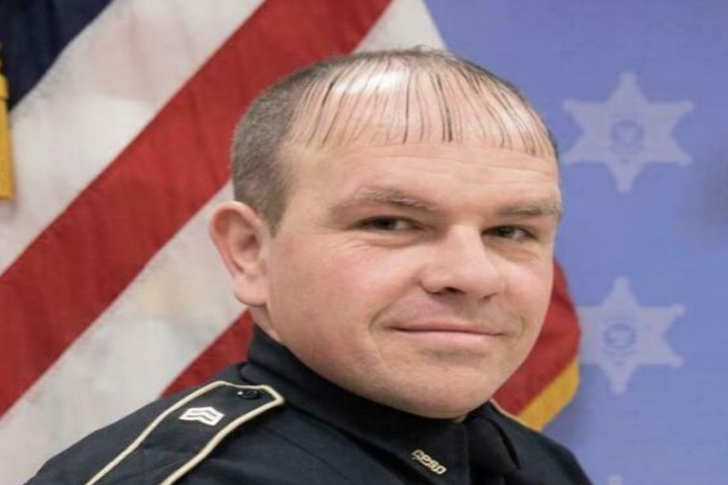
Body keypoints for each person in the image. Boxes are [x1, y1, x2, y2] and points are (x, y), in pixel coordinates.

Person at [26, 49, 591, 484]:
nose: (472, 275)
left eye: (511, 232)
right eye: (391, 223)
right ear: (250, 251)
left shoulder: (538, 467)